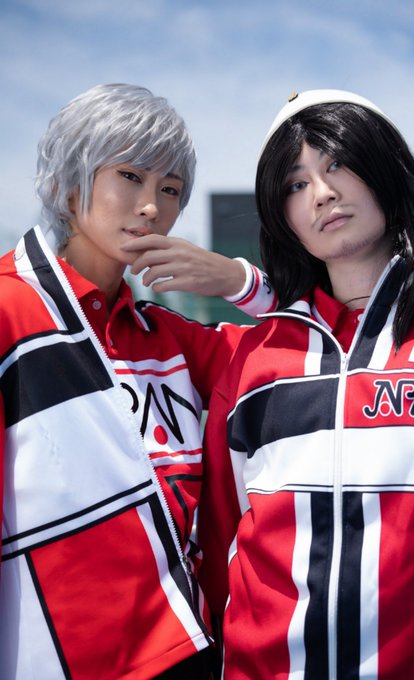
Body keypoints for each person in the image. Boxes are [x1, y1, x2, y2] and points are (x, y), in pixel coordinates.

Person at [0, 83, 273, 680]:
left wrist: (238, 281)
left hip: (196, 646)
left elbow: (316, 351)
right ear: (69, 183)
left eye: (170, 189)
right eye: (129, 176)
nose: (151, 206)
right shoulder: (9, 312)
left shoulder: (170, 336)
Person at [198, 89, 414, 679]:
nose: (321, 193)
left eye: (337, 163)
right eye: (295, 183)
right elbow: (220, 538)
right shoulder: (256, 359)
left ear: (385, 167)